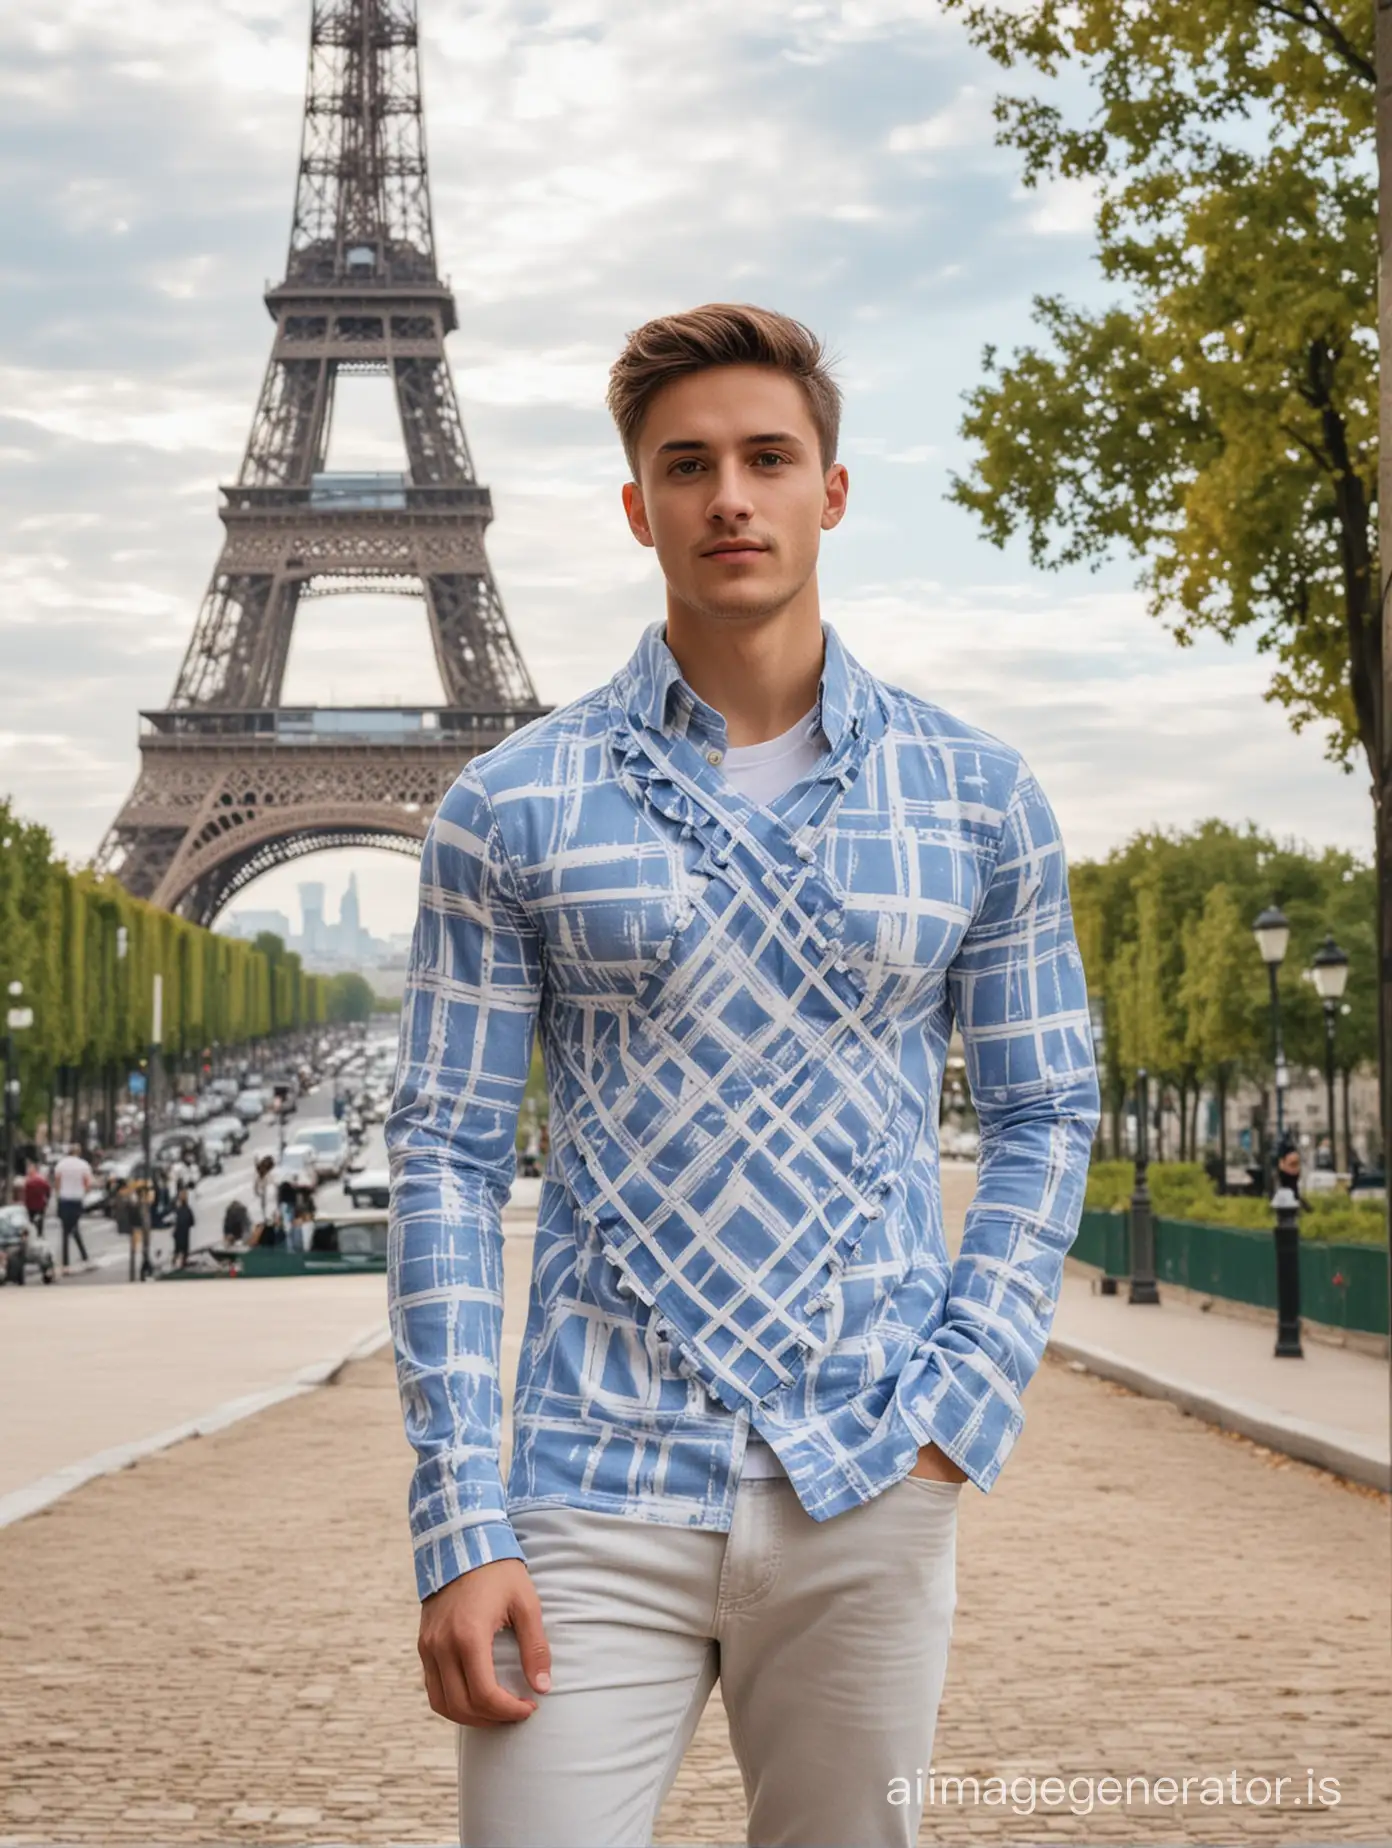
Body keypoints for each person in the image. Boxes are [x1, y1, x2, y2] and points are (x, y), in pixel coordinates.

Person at [385, 303, 1101, 1848]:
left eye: (768, 458)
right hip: (585, 1480)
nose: (731, 497)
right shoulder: (507, 806)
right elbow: (444, 1151)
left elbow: (1047, 1107)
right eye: (688, 464)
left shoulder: (981, 798)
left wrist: (961, 1400)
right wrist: (459, 1511)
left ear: (829, 491)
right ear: (635, 504)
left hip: (867, 1473)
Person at [52, 1142, 93, 1272]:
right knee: (73, 1228)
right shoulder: (83, 1165)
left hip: (64, 1199)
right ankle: (84, 1258)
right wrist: (83, 1193)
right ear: (79, 1152)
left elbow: (57, 1182)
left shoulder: (61, 1165)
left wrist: (58, 1195)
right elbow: (87, 1182)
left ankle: (66, 1261)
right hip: (77, 1199)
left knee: (66, 1230)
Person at [22, 1161, 51, 1237]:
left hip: (30, 1204)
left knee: (30, 1219)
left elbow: (23, 1193)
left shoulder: (26, 1180)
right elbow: (48, 1190)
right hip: (40, 1204)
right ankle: (39, 1233)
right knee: (40, 1219)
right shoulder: (41, 1179)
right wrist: (47, 1199)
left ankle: (32, 1233)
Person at [171, 1187, 195, 1270]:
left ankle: (176, 1263)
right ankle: (180, 1263)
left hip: (180, 1232)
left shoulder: (179, 1210)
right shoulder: (187, 1210)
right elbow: (192, 1222)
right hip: (183, 1233)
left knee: (178, 1250)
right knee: (183, 1250)